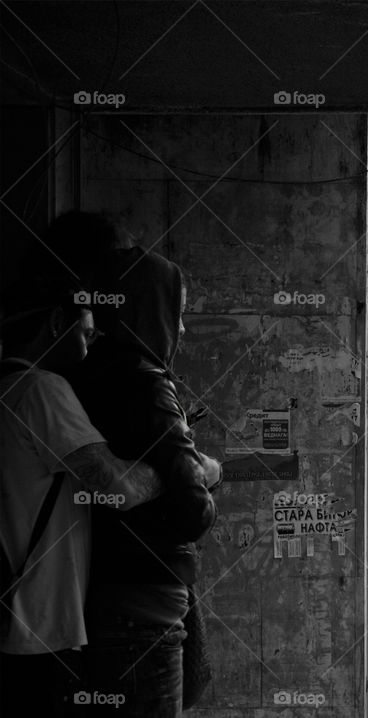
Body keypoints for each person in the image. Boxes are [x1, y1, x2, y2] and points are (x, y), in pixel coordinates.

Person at [43, 211, 219, 717]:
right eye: (177, 310)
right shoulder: (147, 382)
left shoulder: (79, 372)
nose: (182, 326)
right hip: (144, 611)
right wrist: (205, 471)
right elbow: (193, 512)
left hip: (95, 599)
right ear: (153, 308)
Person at [0, 278, 165, 718]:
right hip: (37, 633)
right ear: (58, 322)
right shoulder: (40, 390)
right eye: (88, 329)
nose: (95, 338)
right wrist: (188, 472)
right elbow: (121, 490)